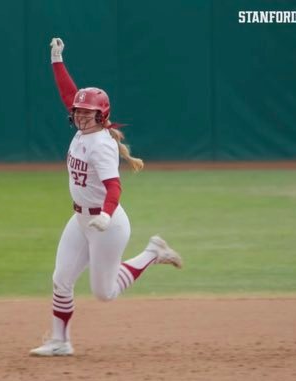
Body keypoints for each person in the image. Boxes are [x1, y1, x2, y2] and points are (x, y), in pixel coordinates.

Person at [29, 38, 183, 357]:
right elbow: (68, 94)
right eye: (80, 112)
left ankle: (152, 253)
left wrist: (106, 215)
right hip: (82, 219)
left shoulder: (100, 144)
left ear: (102, 115)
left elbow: (114, 187)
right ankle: (60, 341)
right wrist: (56, 59)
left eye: (89, 112)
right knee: (61, 279)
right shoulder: (83, 130)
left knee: (105, 292)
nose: (82, 116)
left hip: (107, 224)